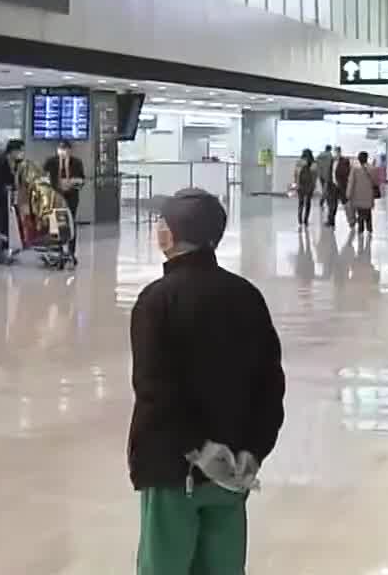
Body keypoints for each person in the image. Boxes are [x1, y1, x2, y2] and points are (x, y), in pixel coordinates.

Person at [129, 189, 285, 575]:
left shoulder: (157, 301)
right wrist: (253, 450)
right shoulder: (247, 296)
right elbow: (270, 385)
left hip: (173, 471)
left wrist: (196, 449)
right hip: (232, 473)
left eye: (160, 224)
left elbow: (155, 391)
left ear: (169, 234)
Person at [345, 151, 378, 236]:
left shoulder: (355, 169)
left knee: (360, 213)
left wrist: (348, 194)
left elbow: (351, 183)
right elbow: (375, 182)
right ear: (367, 158)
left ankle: (361, 229)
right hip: (368, 194)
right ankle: (369, 229)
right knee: (368, 212)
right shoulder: (372, 168)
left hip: (357, 195)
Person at [330, 148, 353, 229]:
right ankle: (331, 222)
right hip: (333, 185)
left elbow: (347, 172)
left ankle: (351, 221)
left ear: (339, 152)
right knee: (333, 204)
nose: (335, 154)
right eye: (334, 152)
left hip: (342, 185)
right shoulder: (332, 161)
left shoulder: (345, 161)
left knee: (346, 204)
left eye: (337, 152)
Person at [293, 150, 317, 227]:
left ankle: (300, 220)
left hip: (300, 185)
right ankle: (306, 220)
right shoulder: (313, 164)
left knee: (300, 203)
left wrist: (295, 184)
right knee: (308, 203)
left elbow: (295, 175)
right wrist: (314, 186)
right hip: (309, 186)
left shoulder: (299, 163)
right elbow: (315, 176)